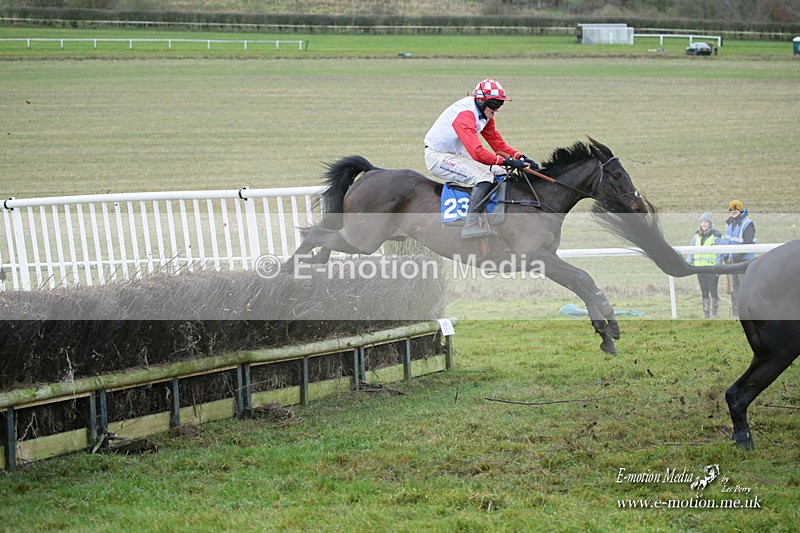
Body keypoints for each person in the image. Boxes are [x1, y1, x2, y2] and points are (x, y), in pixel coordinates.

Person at [424, 78, 538, 238]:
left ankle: (495, 214)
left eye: (500, 104)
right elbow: (477, 153)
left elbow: (497, 143)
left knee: (501, 171)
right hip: (437, 156)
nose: (496, 109)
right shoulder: (465, 115)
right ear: (481, 100)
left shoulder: (484, 114)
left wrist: (520, 157)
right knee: (484, 178)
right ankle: (470, 226)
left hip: (455, 154)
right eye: (494, 104)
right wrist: (508, 161)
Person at [722, 199, 756, 317]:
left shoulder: (747, 224)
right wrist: (725, 256)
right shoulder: (729, 224)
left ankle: (746, 312)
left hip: (744, 261)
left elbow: (748, 243)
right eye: (731, 209)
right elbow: (726, 241)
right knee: (734, 287)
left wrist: (734, 256)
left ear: (740, 210)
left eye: (736, 209)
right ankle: (736, 311)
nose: (733, 211)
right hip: (732, 261)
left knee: (744, 287)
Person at [686, 212, 723, 318]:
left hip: (712, 268)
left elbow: (720, 253)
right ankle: (706, 313)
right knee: (704, 291)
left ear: (710, 223)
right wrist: (688, 263)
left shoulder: (716, 236)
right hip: (699, 268)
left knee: (713, 290)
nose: (704, 224)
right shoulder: (696, 236)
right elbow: (691, 250)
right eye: (702, 222)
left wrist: (718, 266)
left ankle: (714, 313)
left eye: (706, 222)